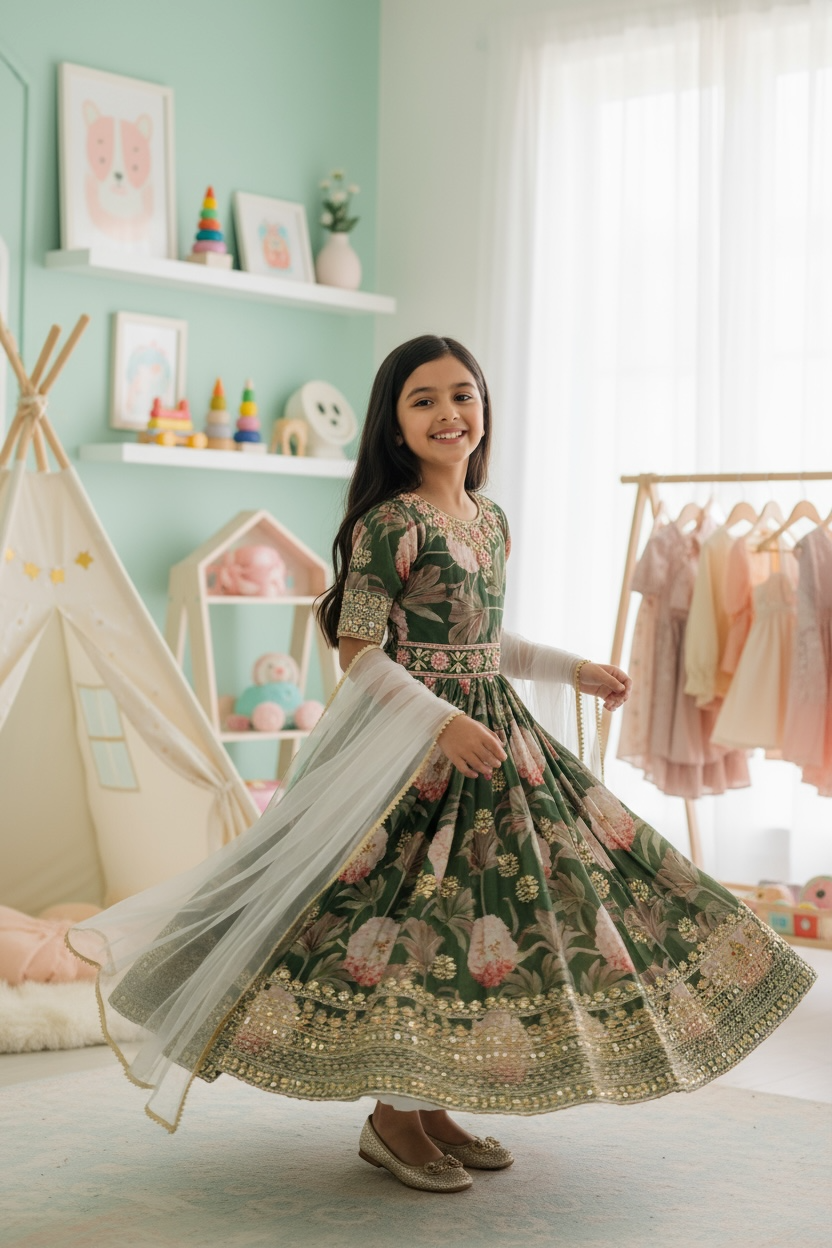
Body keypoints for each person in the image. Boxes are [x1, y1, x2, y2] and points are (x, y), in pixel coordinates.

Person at [68, 334, 815, 1194]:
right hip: (406, 746)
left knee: (470, 925)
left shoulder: (489, 518)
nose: (447, 413)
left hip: (494, 734)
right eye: (422, 400)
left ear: (484, 410)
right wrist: (440, 725)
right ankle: (391, 1121)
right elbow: (360, 652)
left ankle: (426, 1105)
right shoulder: (390, 525)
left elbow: (484, 640)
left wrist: (570, 668)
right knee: (399, 919)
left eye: (462, 395)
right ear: (394, 425)